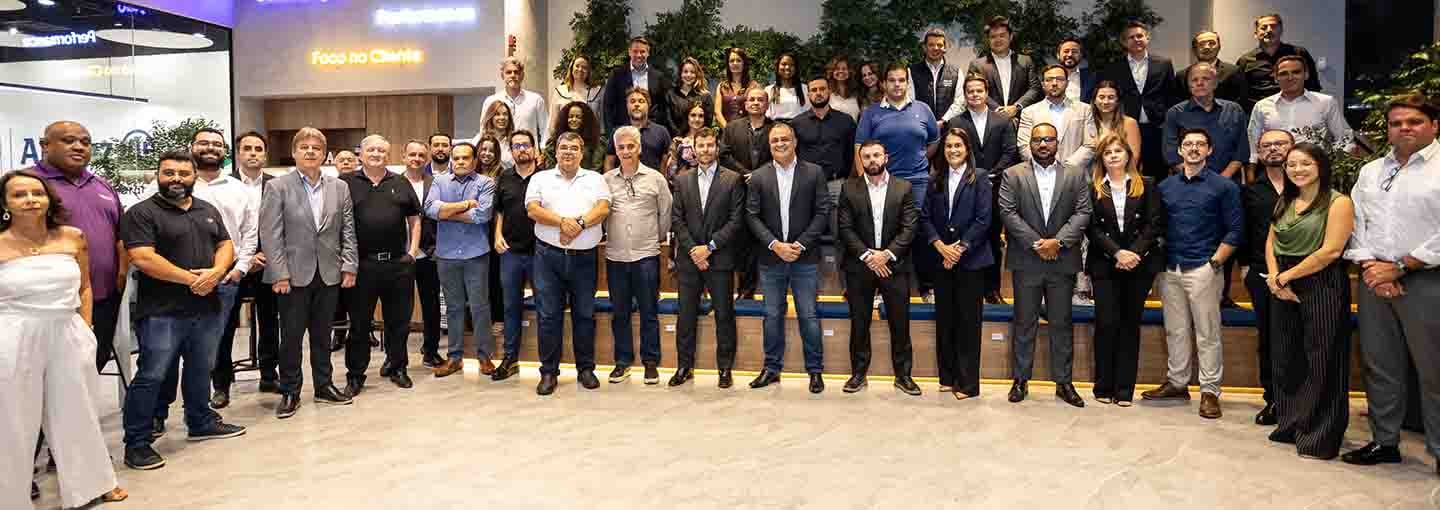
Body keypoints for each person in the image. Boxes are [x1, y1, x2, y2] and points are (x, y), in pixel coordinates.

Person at [0, 170, 128, 508]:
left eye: (36, 193)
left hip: (66, 331)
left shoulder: (72, 237)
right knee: (13, 417)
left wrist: (85, 328)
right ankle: (10, 494)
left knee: (78, 410)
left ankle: (93, 483)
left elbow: (85, 286)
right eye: (19, 195)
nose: (30, 200)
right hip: (13, 335)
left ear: (48, 199)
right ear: (5, 203)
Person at [120, 150, 247, 470]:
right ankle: (136, 442)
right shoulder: (141, 213)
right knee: (152, 374)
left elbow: (225, 244)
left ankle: (200, 421)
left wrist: (217, 272)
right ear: (158, 176)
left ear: (193, 177)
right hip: (162, 310)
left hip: (205, 306)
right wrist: (192, 279)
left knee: (200, 367)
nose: (176, 178)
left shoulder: (206, 209)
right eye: (169, 173)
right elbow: (143, 257)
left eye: (183, 173)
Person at [1341, 94, 1440, 476]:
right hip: (1374, 279)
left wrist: (1399, 267)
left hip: (1426, 279)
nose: (1404, 128)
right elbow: (1358, 223)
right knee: (1380, 364)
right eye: (1396, 123)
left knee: (1434, 370)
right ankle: (1385, 442)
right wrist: (1371, 266)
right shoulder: (1371, 171)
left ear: (1433, 125)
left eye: (1414, 121)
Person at [1143, 127, 1243, 420]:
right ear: (1180, 150)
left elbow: (1236, 229)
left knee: (1207, 333)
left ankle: (1210, 391)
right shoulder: (1165, 187)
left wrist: (1216, 262)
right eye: (1189, 144)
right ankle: (1177, 382)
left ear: (1210, 150)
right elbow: (1156, 226)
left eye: (1201, 144)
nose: (1194, 148)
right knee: (1175, 329)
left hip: (1204, 266)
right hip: (1170, 268)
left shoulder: (1224, 187)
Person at [1264, 142, 1355, 460]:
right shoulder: (1286, 199)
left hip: (1321, 282)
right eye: (1291, 165)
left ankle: (1320, 435)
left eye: (1305, 164)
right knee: (1287, 357)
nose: (1297, 170)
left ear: (1320, 166)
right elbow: (1271, 239)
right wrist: (1275, 277)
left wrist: (1287, 278)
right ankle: (1292, 424)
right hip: (1283, 280)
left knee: (1323, 359)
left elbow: (1331, 251)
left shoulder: (1338, 202)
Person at [259, 127, 358, 419]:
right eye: (305, 147)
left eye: (316, 147)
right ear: (295, 153)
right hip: (292, 275)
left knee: (322, 334)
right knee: (290, 336)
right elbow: (271, 233)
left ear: (324, 154)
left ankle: (324, 386)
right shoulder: (278, 187)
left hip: (328, 273)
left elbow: (348, 230)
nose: (311, 152)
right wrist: (278, 273)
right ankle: (290, 389)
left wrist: (349, 265)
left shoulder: (339, 187)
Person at [997, 123, 1092, 408]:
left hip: (1061, 261)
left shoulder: (1075, 175)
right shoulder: (1012, 174)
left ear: (1057, 143)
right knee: (1024, 321)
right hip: (1027, 260)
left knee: (1062, 322)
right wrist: (1039, 243)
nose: (1043, 144)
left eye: (1048, 139)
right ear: (1030, 143)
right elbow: (1007, 212)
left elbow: (1083, 212)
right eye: (1037, 140)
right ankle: (1020, 380)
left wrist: (1058, 243)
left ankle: (1064, 382)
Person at [27, 121, 127, 374]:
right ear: (45, 145)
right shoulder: (28, 185)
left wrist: (122, 272)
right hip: (51, 300)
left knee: (94, 358)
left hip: (103, 296)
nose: (79, 147)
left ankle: (80, 413)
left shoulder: (101, 185)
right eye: (69, 140)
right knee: (51, 371)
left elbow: (120, 234)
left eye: (85, 142)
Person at [176, 129, 259, 411]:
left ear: (224, 152)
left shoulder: (238, 188)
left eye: (216, 144)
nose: (210, 148)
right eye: (203, 143)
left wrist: (241, 268)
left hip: (226, 276)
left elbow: (249, 232)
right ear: (192, 147)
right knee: (175, 343)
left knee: (219, 338)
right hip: (180, 278)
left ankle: (219, 388)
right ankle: (167, 407)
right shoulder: (177, 184)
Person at [745, 123, 831, 393]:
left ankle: (815, 371)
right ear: (769, 145)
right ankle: (772, 369)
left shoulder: (814, 173)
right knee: (771, 315)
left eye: (785, 139)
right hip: (771, 259)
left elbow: (822, 212)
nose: (780, 144)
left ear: (795, 142)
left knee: (808, 314)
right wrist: (774, 245)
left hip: (804, 258)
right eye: (774, 141)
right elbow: (752, 216)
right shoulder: (758, 177)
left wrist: (800, 245)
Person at [526, 132, 612, 395]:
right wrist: (563, 223)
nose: (568, 152)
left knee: (584, 315)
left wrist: (579, 225)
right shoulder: (540, 178)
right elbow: (533, 209)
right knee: (548, 316)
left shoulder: (595, 178)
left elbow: (603, 209)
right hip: (547, 258)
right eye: (564, 147)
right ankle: (549, 372)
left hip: (584, 259)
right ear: (556, 151)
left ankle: (585, 369)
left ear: (582, 152)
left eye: (574, 148)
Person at [1086, 134, 1166, 407]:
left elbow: (1154, 224)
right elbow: (1092, 227)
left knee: (1129, 325)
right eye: (1107, 152)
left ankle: (1124, 390)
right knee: (1106, 324)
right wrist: (1116, 252)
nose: (1113, 156)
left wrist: (1134, 252)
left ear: (1128, 155)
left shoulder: (1147, 185)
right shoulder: (1093, 188)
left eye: (1118, 151)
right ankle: (1103, 387)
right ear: (1102, 159)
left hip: (1139, 264)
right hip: (1104, 264)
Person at [837, 141, 922, 396]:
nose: (872, 160)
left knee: (900, 323)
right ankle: (858, 374)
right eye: (866, 157)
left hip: (894, 266)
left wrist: (886, 255)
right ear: (860, 160)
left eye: (876, 155)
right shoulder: (849, 188)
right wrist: (868, 256)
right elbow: (845, 228)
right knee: (859, 323)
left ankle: (903, 375)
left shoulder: (903, 188)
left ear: (886, 157)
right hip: (859, 266)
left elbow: (909, 228)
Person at [338, 135, 421, 393]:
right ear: (360, 154)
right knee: (360, 324)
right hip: (361, 266)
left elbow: (414, 219)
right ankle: (355, 374)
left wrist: (412, 252)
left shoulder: (400, 182)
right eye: (371, 150)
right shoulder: (345, 183)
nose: (376, 154)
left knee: (399, 322)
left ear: (388, 155)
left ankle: (398, 367)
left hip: (397, 264)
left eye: (382, 150)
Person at [854, 62, 940, 300]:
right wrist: (865, 181)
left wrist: (920, 158)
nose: (897, 84)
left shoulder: (923, 110)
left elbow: (933, 141)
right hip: (883, 182)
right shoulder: (872, 112)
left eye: (902, 80)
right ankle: (881, 288)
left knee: (919, 231)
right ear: (884, 83)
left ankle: (926, 287)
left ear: (907, 82)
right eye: (892, 80)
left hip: (918, 182)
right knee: (885, 231)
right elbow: (860, 147)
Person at [920, 128, 994, 399]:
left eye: (958, 146)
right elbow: (925, 218)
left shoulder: (981, 178)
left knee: (968, 323)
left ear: (967, 149)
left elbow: (984, 220)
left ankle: (968, 384)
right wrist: (940, 247)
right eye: (949, 146)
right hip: (942, 260)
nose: (952, 150)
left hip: (970, 260)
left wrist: (959, 249)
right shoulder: (934, 179)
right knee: (946, 321)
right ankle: (947, 376)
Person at [669, 128, 745, 388]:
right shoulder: (681, 180)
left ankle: (724, 368)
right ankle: (684, 366)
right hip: (690, 260)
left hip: (720, 258)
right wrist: (694, 250)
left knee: (724, 314)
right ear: (693, 149)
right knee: (686, 315)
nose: (705, 150)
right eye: (701, 146)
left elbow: (736, 220)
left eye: (710, 145)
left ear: (717, 147)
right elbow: (676, 220)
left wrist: (709, 247)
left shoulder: (733, 179)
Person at [601, 126, 673, 385]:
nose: (626, 151)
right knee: (619, 312)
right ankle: (622, 362)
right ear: (616, 150)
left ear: (639, 148)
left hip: (646, 255)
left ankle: (650, 362)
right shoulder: (606, 180)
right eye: (621, 147)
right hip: (616, 256)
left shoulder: (656, 179)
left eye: (631, 146)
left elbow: (665, 215)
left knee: (648, 311)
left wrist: (654, 237)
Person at [424, 141, 497, 379]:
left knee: (480, 306)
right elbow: (432, 211)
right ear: (451, 160)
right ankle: (454, 358)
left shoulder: (485, 183)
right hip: (446, 255)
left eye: (466, 158)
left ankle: (484, 356)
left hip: (476, 254)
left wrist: (448, 212)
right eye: (456, 158)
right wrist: (465, 205)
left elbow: (483, 215)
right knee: (453, 308)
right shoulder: (439, 181)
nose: (461, 162)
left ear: (474, 161)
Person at [944, 74, 1018, 305]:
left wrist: (991, 175)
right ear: (965, 96)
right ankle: (967, 287)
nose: (975, 95)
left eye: (979, 91)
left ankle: (992, 289)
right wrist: (973, 176)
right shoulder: (956, 122)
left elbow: (1010, 152)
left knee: (993, 237)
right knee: (966, 235)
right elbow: (955, 153)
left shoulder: (1002, 121)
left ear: (987, 93)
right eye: (970, 92)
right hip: (964, 187)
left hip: (995, 187)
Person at [1241, 129, 1295, 424]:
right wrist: (1246, 266)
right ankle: (1273, 399)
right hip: (1262, 274)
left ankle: (1301, 400)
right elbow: (1243, 231)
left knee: (1300, 338)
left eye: (1279, 144)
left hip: (1304, 273)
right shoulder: (1250, 190)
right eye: (1266, 146)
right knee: (1269, 338)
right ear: (1259, 153)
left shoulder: (1306, 183)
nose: (1273, 150)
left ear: (1292, 147)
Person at [222, 131, 281, 391]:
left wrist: (265, 254)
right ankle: (221, 383)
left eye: (258, 149)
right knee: (225, 325)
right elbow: (220, 228)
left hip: (268, 264)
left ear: (265, 154)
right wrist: (243, 257)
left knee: (270, 323)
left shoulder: (277, 184)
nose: (253, 153)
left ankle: (269, 376)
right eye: (247, 148)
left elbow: (285, 224)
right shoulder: (223, 184)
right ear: (238, 153)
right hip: (231, 265)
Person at [492, 130, 543, 381]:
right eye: (516, 146)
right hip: (510, 252)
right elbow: (499, 211)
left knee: (546, 307)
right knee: (510, 307)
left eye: (525, 145)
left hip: (540, 252)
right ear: (511, 152)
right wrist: (497, 235)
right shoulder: (504, 178)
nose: (521, 149)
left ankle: (548, 363)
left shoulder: (546, 177)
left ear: (534, 149)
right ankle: (510, 358)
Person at [1101, 20, 1179, 180]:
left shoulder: (1164, 64)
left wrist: (1168, 122)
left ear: (1147, 38)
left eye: (1140, 36)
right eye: (1131, 37)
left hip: (1157, 127)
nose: (1136, 40)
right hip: (1126, 126)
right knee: (1126, 170)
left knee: (1157, 172)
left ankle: (1156, 205)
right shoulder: (1114, 67)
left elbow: (1171, 95)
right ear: (1124, 42)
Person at [719, 86, 775, 300]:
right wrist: (746, 174)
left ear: (766, 105)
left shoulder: (775, 129)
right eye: (751, 99)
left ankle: (770, 291)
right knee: (742, 242)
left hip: (768, 191)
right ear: (745, 103)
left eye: (760, 100)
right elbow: (724, 155)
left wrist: (759, 175)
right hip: (739, 190)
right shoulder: (732, 128)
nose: (755, 103)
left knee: (766, 239)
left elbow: (781, 154)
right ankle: (745, 290)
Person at [1246, 56, 1355, 164]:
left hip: (1314, 169)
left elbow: (1345, 139)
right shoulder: (1262, 106)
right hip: (1274, 170)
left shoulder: (1326, 102)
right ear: (1275, 78)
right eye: (1283, 73)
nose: (1290, 77)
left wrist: (1333, 165)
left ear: (1306, 75)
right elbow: (1253, 143)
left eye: (1296, 72)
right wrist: (1252, 171)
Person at [792, 76, 857, 246]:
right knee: (807, 232)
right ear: (808, 94)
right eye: (814, 90)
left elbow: (853, 154)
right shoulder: (797, 123)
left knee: (841, 233)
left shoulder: (846, 121)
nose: (818, 93)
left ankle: (839, 271)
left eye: (822, 89)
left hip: (837, 184)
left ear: (829, 91)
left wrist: (849, 181)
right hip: (807, 185)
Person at [401, 140, 445, 369]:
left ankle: (431, 351)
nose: (416, 158)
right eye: (412, 154)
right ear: (404, 157)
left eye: (421, 155)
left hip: (428, 253)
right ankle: (395, 357)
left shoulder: (435, 183)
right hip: (401, 255)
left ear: (426, 159)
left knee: (431, 305)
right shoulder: (394, 183)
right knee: (400, 308)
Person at [1163, 63, 1250, 178]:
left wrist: (1220, 180)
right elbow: (1171, 155)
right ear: (1188, 85)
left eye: (1205, 79)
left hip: (1227, 181)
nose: (1199, 83)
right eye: (1194, 80)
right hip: (1189, 180)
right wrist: (1197, 178)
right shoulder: (1174, 113)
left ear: (1215, 83)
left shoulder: (1234, 110)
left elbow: (1241, 152)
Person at [1236, 13, 1323, 112]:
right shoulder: (1245, 61)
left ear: (1281, 30)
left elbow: (1313, 86)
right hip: (1261, 114)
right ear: (1256, 33)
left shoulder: (1298, 53)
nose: (1269, 30)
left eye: (1273, 26)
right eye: (1264, 28)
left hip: (1297, 111)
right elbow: (1241, 95)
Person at [1019, 65, 1098, 169]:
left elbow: (1090, 145)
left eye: (1060, 79)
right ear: (1043, 84)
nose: (1055, 83)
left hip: (1075, 175)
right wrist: (1046, 167)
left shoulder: (1085, 110)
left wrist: (1067, 168)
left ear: (1067, 83)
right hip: (1041, 174)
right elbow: (1024, 146)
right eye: (1049, 80)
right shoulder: (1029, 112)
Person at [967, 16, 1042, 120]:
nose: (997, 40)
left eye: (1002, 35)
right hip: (988, 120)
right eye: (993, 37)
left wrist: (1016, 107)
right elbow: (973, 90)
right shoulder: (977, 65)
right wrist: (998, 109)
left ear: (1010, 37)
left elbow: (1035, 88)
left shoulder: (1025, 61)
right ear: (988, 40)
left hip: (1021, 120)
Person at [604, 37, 670, 134]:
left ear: (648, 53)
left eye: (642, 51)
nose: (639, 55)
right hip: (624, 131)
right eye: (635, 51)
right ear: (629, 52)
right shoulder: (617, 75)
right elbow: (608, 106)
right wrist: (611, 133)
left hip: (651, 132)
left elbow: (663, 106)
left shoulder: (658, 76)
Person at [482, 57, 548, 148]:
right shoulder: (491, 101)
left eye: (516, 72)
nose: (512, 75)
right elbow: (484, 130)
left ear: (522, 75)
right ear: (502, 76)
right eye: (508, 72)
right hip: (500, 155)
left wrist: (543, 151)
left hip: (528, 154)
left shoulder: (536, 99)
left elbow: (545, 129)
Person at [605, 88, 673, 171]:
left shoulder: (662, 132)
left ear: (649, 105)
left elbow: (665, 164)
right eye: (632, 101)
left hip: (652, 182)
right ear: (627, 105)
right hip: (623, 182)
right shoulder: (617, 132)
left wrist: (662, 182)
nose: (636, 104)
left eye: (641, 101)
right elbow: (609, 162)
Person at [908, 28, 964, 125]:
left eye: (940, 45)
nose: (935, 48)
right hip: (920, 126)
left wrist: (944, 120)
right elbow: (910, 100)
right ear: (924, 48)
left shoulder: (956, 72)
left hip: (949, 126)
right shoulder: (911, 72)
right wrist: (923, 121)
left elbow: (960, 101)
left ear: (945, 48)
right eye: (931, 45)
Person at [1181, 31, 1248, 105]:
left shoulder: (1234, 72)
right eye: (1201, 44)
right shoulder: (1182, 75)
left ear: (1219, 47)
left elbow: (1241, 102)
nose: (1206, 47)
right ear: (1194, 49)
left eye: (1212, 43)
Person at [660, 101, 714, 183]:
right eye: (693, 115)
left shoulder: (712, 140)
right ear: (687, 117)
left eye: (701, 116)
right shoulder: (678, 142)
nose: (697, 119)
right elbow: (671, 172)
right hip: (684, 187)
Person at [544, 101, 606, 171]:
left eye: (578, 117)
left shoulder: (597, 140)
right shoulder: (554, 139)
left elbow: (596, 168)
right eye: (570, 116)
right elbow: (550, 167)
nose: (574, 120)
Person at [1090, 81, 1143, 158]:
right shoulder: (1088, 122)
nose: (1106, 102)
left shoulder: (1129, 123)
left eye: (1111, 97)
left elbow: (1134, 158)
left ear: (1117, 101)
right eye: (1101, 97)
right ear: (1094, 100)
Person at [551, 54, 603, 129]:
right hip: (565, 138)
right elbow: (553, 122)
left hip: (590, 138)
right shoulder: (560, 91)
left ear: (589, 72)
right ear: (571, 69)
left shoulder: (597, 91)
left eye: (584, 67)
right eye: (577, 66)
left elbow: (601, 121)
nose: (580, 69)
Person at [714, 47, 760, 128]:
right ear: (728, 64)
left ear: (744, 63)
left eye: (738, 60)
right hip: (726, 132)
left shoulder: (753, 86)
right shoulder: (722, 86)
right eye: (732, 61)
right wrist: (728, 130)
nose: (735, 63)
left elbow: (758, 111)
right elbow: (717, 112)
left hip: (748, 132)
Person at [666, 57, 712, 136]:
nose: (688, 75)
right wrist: (679, 137)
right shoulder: (671, 94)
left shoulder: (705, 96)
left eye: (692, 72)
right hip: (676, 139)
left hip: (698, 141)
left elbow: (708, 121)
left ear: (697, 74)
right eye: (685, 72)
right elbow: (668, 120)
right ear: (680, 73)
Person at [766, 53, 808, 122]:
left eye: (791, 65)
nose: (787, 67)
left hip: (799, 128)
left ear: (796, 68)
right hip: (776, 129)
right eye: (784, 64)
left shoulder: (805, 89)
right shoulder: (769, 90)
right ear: (777, 66)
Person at [474, 101, 517, 168]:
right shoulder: (479, 138)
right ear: (491, 116)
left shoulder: (514, 140)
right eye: (497, 114)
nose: (502, 117)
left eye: (505, 114)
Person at [1057, 37, 1098, 103]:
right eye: (1066, 51)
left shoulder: (1092, 78)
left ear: (1081, 55)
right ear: (1058, 55)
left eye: (1075, 52)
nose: (1070, 54)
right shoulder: (1047, 77)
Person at [826, 54, 862, 120]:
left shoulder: (856, 94)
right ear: (832, 72)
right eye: (837, 69)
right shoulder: (827, 93)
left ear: (849, 72)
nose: (841, 71)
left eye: (844, 68)